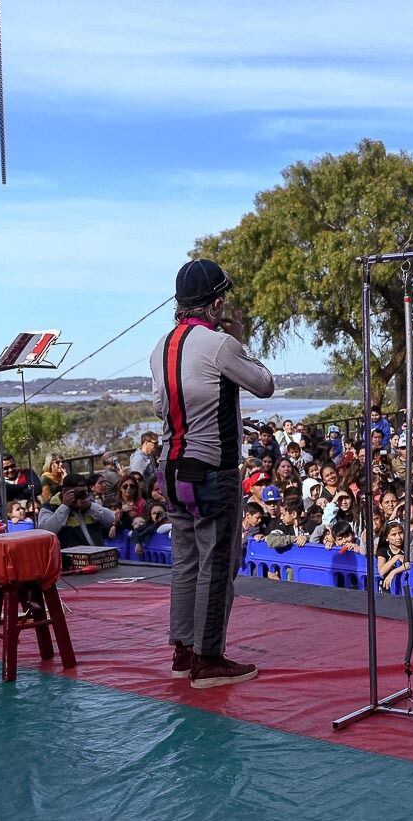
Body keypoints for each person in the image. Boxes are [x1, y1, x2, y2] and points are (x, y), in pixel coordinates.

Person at [152, 258, 274, 689]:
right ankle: (208, 659)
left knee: (185, 561)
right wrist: (240, 341)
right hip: (211, 471)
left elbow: (160, 408)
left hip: (171, 468)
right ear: (216, 304)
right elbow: (264, 384)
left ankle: (182, 652)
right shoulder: (220, 343)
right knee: (217, 564)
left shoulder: (160, 347)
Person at [38, 473, 117, 548]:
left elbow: (111, 518)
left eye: (84, 492)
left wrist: (89, 507)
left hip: (95, 556)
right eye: (76, 492)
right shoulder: (49, 508)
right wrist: (65, 506)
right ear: (64, 492)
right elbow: (45, 532)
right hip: (70, 559)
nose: (80, 495)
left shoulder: (90, 506)